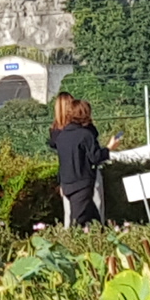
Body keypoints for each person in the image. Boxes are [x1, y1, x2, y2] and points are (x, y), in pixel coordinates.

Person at [49, 93, 110, 227]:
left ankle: (73, 234)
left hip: (67, 180)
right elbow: (95, 156)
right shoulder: (85, 132)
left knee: (71, 214)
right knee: (88, 214)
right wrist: (109, 148)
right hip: (85, 177)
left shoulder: (58, 134)